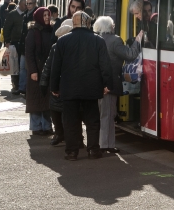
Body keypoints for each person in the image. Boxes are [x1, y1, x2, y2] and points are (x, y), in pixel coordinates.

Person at [50, 11, 112, 161]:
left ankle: (71, 152)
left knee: (70, 121)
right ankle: (93, 150)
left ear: (74, 23)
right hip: (91, 88)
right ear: (88, 23)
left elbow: (55, 67)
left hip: (69, 88)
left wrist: (54, 87)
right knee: (92, 120)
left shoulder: (62, 41)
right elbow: (105, 66)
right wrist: (106, 84)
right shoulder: (98, 41)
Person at [93, 16, 142, 153]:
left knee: (103, 114)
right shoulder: (115, 40)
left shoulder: (95, 40)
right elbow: (130, 54)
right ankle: (105, 145)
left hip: (96, 83)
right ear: (110, 27)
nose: (114, 26)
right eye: (113, 24)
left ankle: (103, 143)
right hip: (110, 83)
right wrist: (138, 39)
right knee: (108, 115)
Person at [40, 23, 72, 146]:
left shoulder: (70, 47)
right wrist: (44, 82)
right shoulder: (55, 47)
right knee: (56, 113)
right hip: (57, 86)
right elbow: (48, 67)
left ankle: (69, 136)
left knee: (68, 115)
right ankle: (60, 133)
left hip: (66, 86)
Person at [24, 7, 55, 135]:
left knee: (47, 100)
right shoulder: (32, 32)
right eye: (44, 15)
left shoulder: (52, 31)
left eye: (48, 15)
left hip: (49, 70)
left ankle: (47, 126)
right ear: (38, 17)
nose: (47, 17)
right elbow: (29, 54)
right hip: (36, 70)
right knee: (36, 100)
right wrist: (32, 71)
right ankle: (36, 127)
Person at [2, 0, 25, 95]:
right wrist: (7, 41)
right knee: (14, 63)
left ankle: (20, 85)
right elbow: (6, 28)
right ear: (19, 5)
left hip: (23, 42)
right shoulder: (13, 14)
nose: (26, 6)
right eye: (25, 4)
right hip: (14, 42)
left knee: (21, 64)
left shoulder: (27, 14)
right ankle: (15, 84)